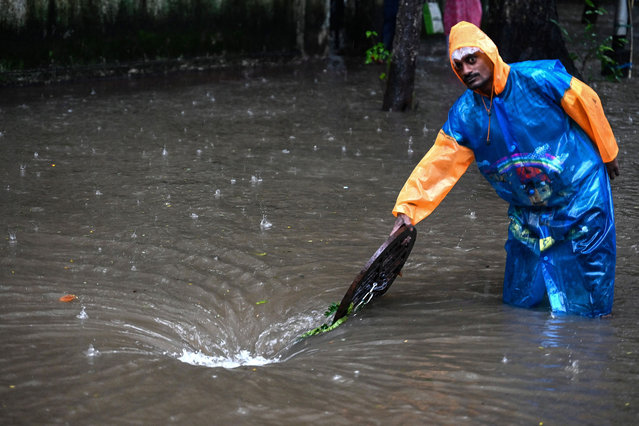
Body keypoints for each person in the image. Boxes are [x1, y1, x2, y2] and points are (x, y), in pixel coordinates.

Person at [391, 21, 620, 318]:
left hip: (580, 195)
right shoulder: (465, 115)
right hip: (528, 211)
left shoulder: (538, 79)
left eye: (472, 60)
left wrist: (608, 151)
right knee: (519, 301)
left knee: (588, 298)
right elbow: (439, 163)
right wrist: (407, 210)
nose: (466, 70)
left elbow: (586, 101)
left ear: (490, 54)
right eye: (458, 65)